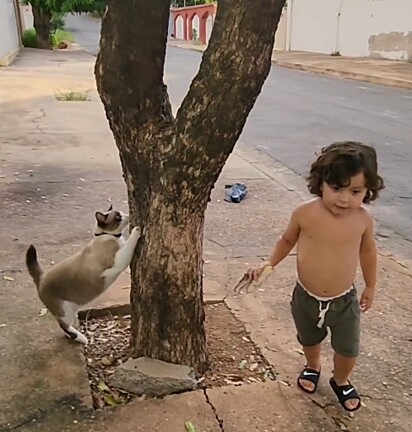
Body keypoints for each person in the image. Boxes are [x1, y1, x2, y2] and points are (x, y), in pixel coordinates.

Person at [248, 141, 384, 412]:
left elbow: (367, 251)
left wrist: (370, 284)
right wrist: (269, 263)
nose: (344, 199)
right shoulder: (305, 213)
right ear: (321, 182)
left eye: (355, 191)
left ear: (368, 190)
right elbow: (286, 240)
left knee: (348, 349)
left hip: (344, 301)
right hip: (305, 297)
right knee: (309, 339)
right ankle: (313, 366)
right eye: (336, 188)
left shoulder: (362, 220)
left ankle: (341, 380)